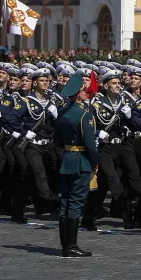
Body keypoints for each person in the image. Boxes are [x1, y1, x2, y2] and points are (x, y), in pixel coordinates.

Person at [56, 71, 100, 257]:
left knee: (65, 201)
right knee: (76, 202)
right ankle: (71, 246)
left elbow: (57, 140)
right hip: (82, 159)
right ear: (79, 93)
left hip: (67, 159)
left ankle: (65, 245)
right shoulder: (84, 115)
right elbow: (90, 144)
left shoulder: (63, 112)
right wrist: (95, 162)